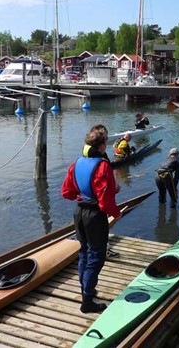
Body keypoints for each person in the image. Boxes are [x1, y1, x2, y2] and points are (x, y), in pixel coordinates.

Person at [61, 128, 121, 313]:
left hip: (79, 212)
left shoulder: (76, 163)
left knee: (85, 252)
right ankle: (87, 303)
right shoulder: (103, 166)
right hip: (95, 216)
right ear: (102, 146)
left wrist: (85, 195)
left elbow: (67, 192)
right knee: (96, 256)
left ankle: (87, 290)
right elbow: (104, 200)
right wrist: (115, 213)